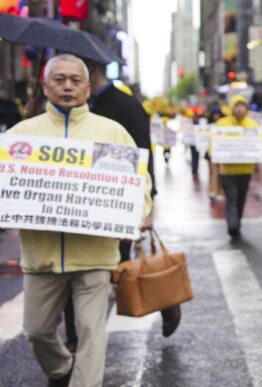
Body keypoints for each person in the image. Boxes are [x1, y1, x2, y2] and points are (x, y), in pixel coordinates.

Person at [7, 54, 153, 386]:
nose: (68, 86)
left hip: (94, 255)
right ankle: (61, 370)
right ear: (45, 87)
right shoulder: (22, 135)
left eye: (76, 80)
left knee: (91, 331)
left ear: (88, 89)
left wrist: (138, 211)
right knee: (37, 330)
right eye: (60, 80)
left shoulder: (111, 133)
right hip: (41, 256)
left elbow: (140, 184)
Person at [84, 58, 180, 338]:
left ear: (91, 69)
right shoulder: (77, 107)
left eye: (76, 76)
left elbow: (143, 154)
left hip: (117, 200)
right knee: (94, 273)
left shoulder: (126, 106)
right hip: (81, 204)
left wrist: (148, 205)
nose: (69, 84)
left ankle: (165, 301)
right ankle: (77, 340)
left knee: (119, 267)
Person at [212, 95, 262, 241]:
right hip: (227, 171)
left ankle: (237, 222)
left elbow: (260, 144)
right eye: (237, 106)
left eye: (242, 106)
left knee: (241, 199)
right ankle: (232, 226)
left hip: (246, 171)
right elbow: (213, 143)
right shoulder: (222, 124)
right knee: (232, 198)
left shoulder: (253, 125)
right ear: (231, 107)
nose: (239, 109)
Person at [206, 105, 224, 201]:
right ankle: (212, 191)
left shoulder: (224, 125)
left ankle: (220, 191)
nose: (216, 117)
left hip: (221, 153)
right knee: (213, 173)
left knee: (221, 173)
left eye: (218, 115)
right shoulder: (209, 126)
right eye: (214, 115)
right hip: (210, 153)